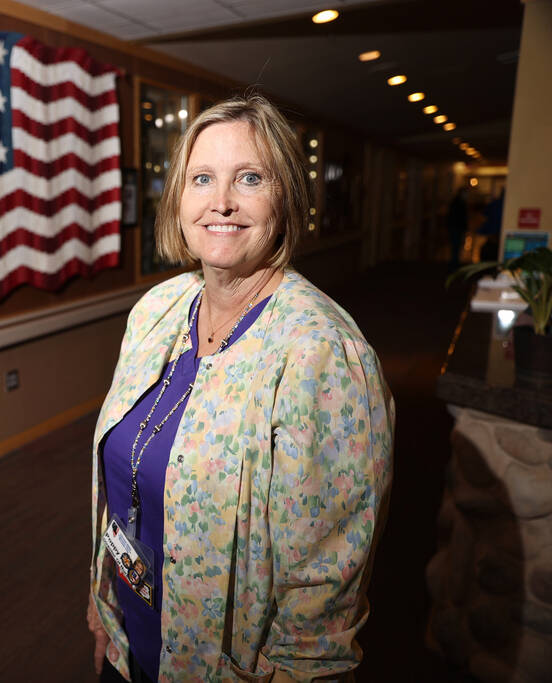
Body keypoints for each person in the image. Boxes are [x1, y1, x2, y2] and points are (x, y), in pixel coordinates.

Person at [86, 95, 394, 683]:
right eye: (202, 179)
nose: (220, 202)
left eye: (248, 178)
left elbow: (321, 597)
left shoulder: (321, 354)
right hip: (129, 647)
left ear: (287, 198)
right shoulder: (159, 309)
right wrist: (104, 599)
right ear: (179, 198)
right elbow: (125, 481)